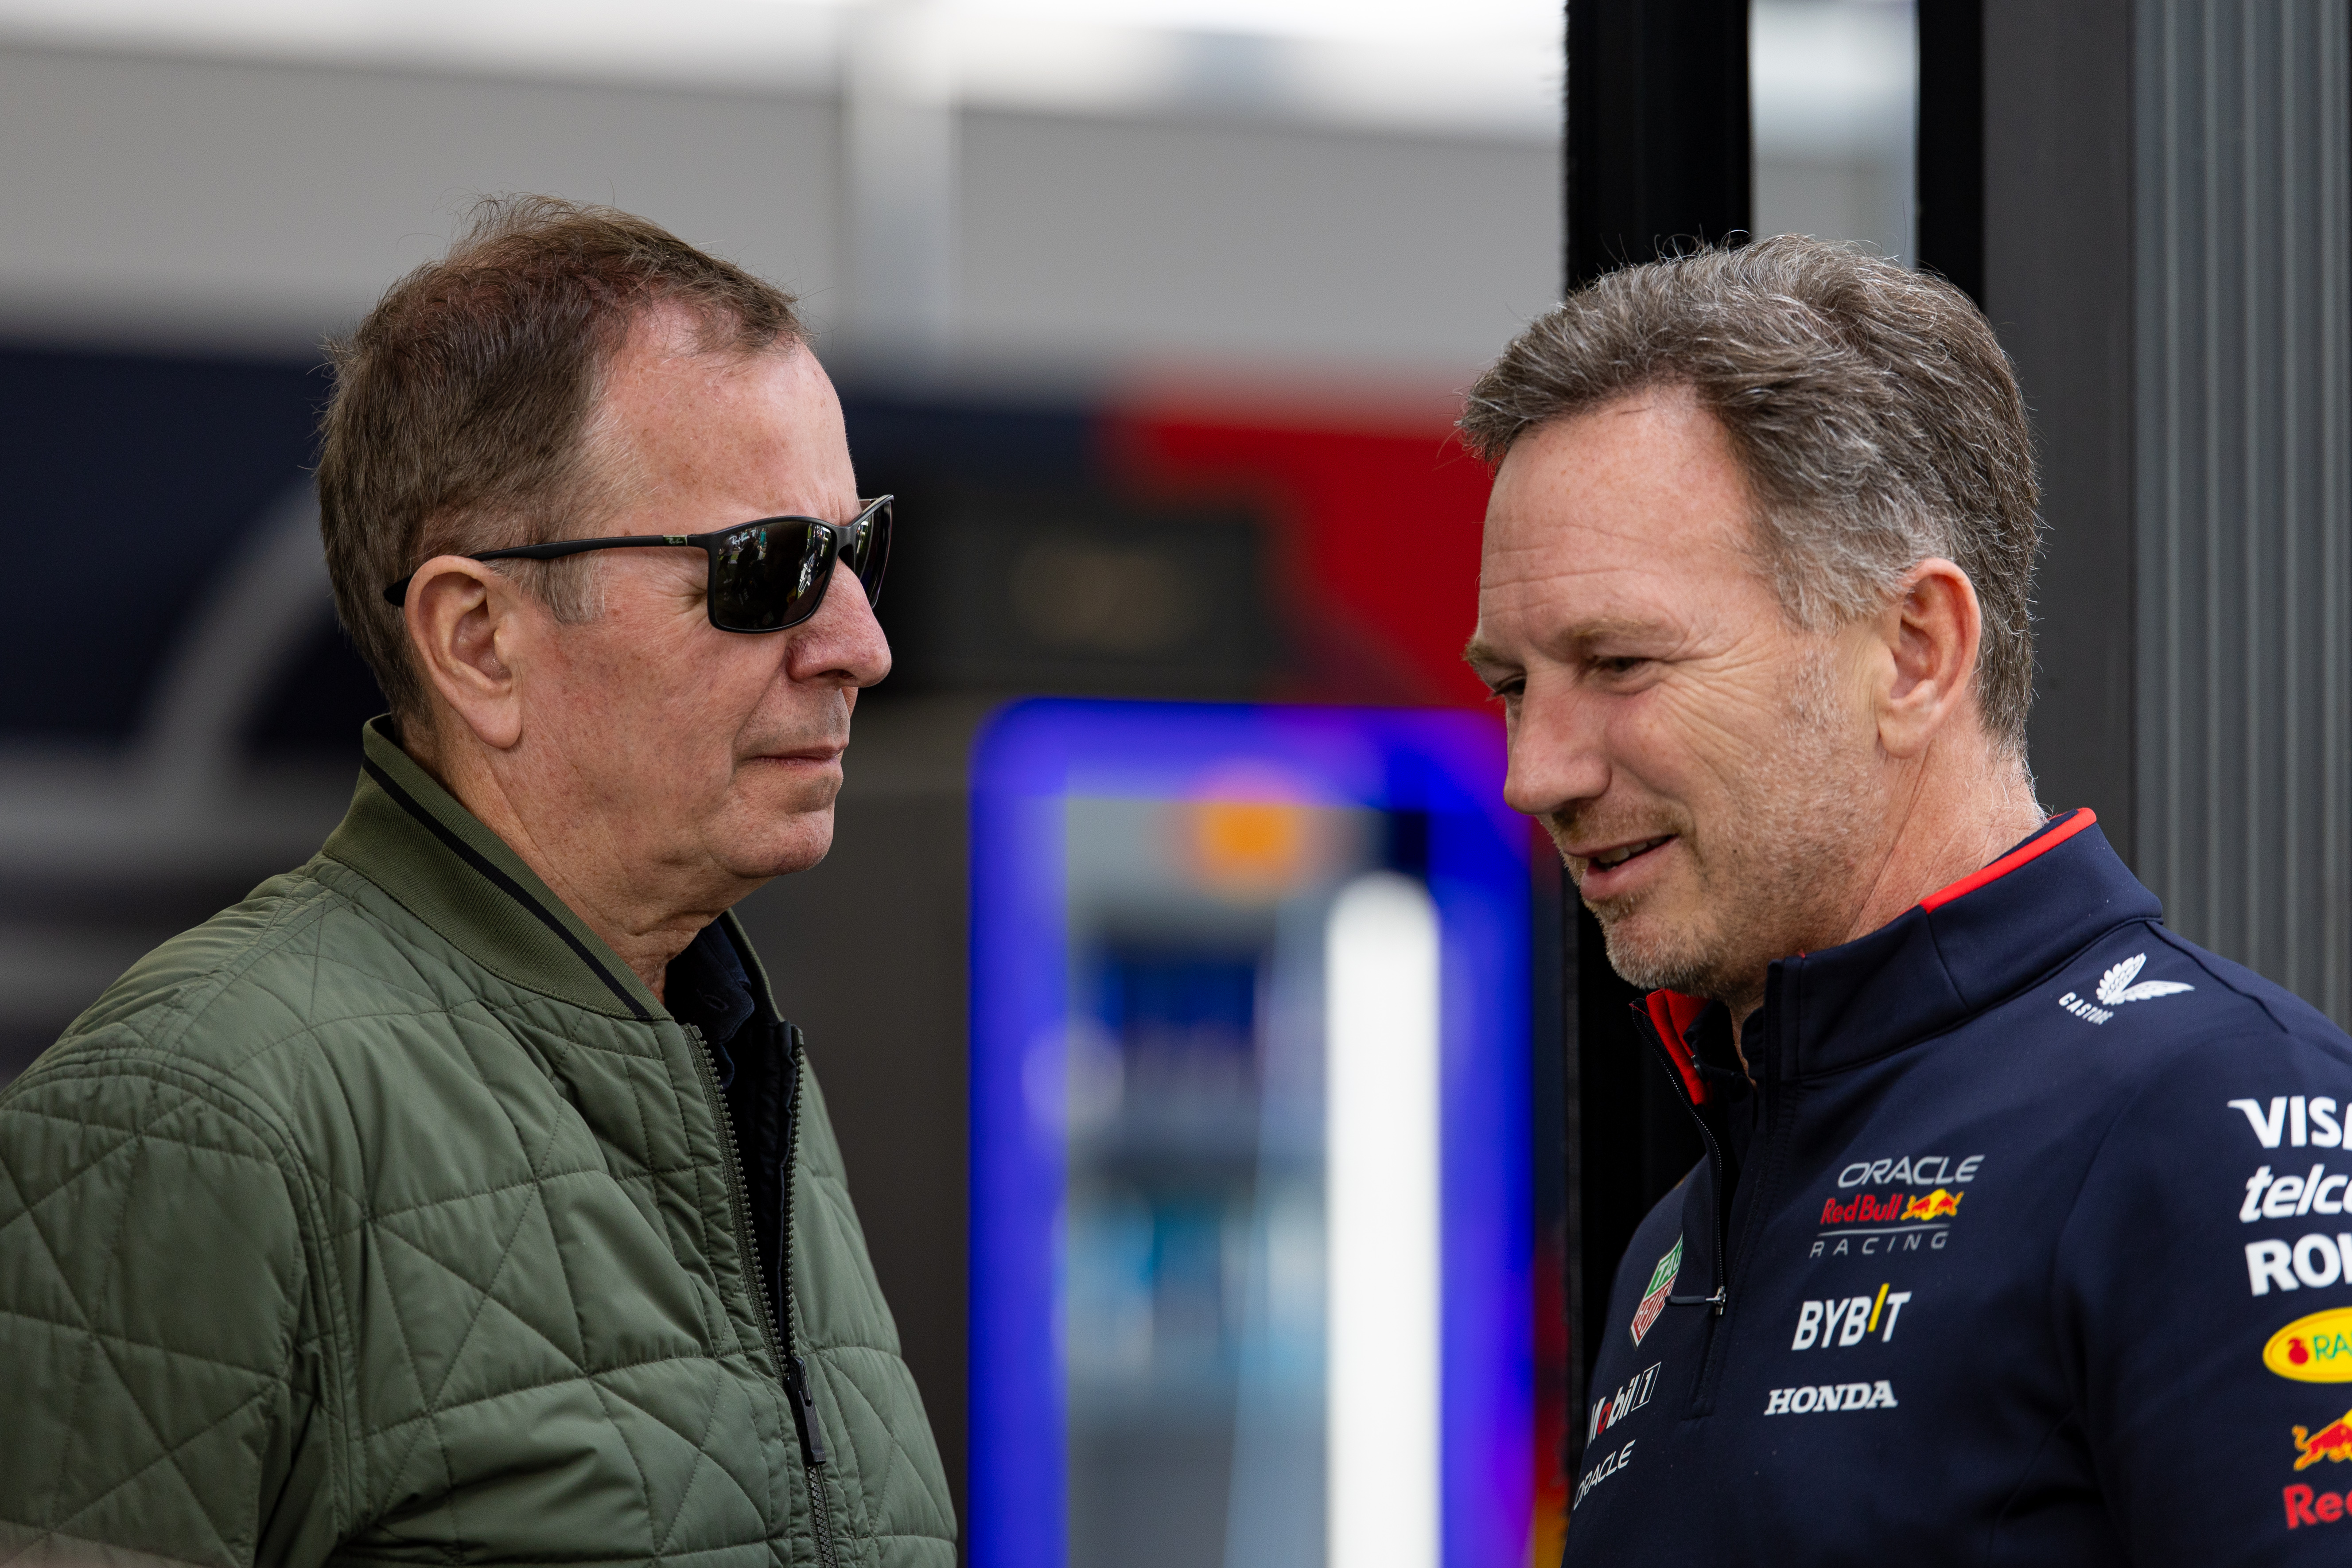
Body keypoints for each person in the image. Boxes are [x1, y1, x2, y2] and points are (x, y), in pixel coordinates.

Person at [0, 198, 953, 1568]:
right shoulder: (190, 1117)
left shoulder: (748, 1091)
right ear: (478, 640)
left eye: (854, 550)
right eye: (769, 569)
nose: (860, 643)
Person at [1462, 235, 2352, 1562]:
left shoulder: (2213, 1113)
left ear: (1916, 651)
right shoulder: (1682, 1230)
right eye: (1516, 684)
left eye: (1621, 660)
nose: (1541, 770)